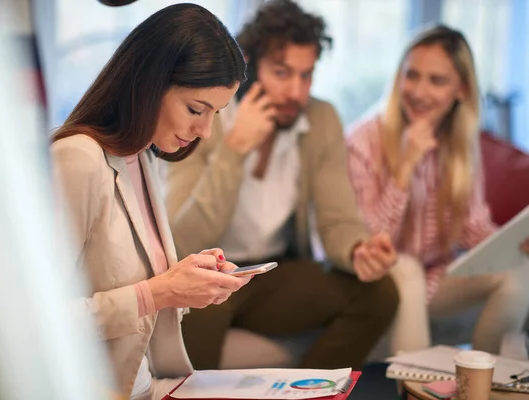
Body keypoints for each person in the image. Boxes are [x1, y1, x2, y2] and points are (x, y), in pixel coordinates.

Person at [165, 0, 399, 371]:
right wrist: (233, 151)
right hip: (210, 273)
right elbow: (184, 239)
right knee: (199, 310)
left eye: (306, 76)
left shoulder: (320, 119)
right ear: (250, 66)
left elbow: (338, 219)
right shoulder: (205, 116)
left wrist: (358, 250)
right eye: (282, 72)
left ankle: (312, 394)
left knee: (380, 294)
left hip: (271, 272)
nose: (296, 92)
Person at [51, 4, 251, 399]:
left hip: (149, 386)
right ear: (149, 83)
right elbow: (39, 321)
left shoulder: (142, 156)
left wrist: (191, 283)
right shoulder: (77, 160)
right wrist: (158, 293)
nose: (205, 131)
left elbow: (136, 288)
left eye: (216, 114)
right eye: (196, 109)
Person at [347, 25, 529, 357]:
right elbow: (369, 240)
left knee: (518, 273)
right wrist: (405, 166)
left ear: (461, 89)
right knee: (408, 268)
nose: (419, 91)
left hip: (434, 278)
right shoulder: (363, 140)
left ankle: (483, 381)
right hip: (377, 278)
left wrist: (512, 246)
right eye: (411, 76)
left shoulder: (460, 143)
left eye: (437, 81)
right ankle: (418, 388)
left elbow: (474, 228)